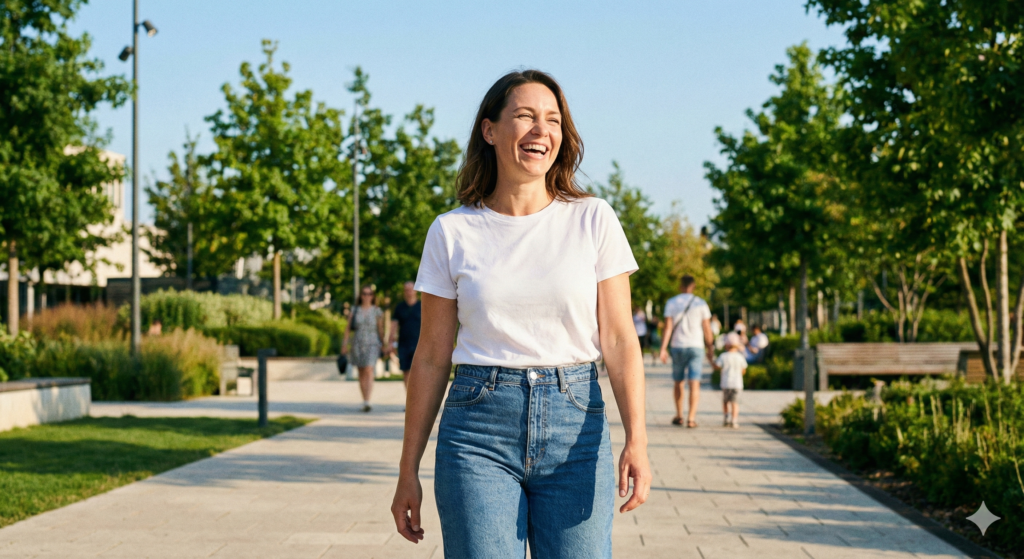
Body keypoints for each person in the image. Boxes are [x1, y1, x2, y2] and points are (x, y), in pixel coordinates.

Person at [391, 70, 650, 559]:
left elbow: (619, 340)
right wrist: (408, 470)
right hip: (477, 430)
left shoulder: (593, 219)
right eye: (525, 116)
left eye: (552, 120)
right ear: (489, 130)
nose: (541, 130)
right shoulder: (451, 232)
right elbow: (430, 358)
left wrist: (637, 439)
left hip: (576, 423)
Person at [659, 275, 714, 428]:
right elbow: (707, 329)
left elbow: (668, 328)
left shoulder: (671, 302)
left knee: (678, 382)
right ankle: (691, 418)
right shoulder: (701, 303)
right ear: (694, 286)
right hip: (697, 346)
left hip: (678, 346)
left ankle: (679, 415)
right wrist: (711, 349)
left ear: (680, 286)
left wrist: (663, 349)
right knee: (694, 383)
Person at [342, 286, 386, 412]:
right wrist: (344, 345)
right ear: (361, 295)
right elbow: (348, 328)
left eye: (369, 294)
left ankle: (368, 400)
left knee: (368, 368)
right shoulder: (354, 310)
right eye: (364, 293)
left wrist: (384, 344)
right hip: (357, 343)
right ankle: (364, 400)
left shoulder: (377, 311)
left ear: (373, 296)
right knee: (361, 371)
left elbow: (380, 329)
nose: (367, 296)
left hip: (372, 343)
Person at [390, 281, 422, 389]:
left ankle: (420, 403)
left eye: (411, 289)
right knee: (406, 372)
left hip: (420, 344)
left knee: (419, 373)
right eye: (406, 290)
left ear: (416, 291)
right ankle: (409, 402)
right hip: (404, 344)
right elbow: (393, 326)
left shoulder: (422, 306)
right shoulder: (399, 307)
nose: (409, 292)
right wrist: (391, 343)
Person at [712, 333, 747, 428]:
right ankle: (734, 420)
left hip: (726, 383)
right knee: (735, 403)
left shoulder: (723, 356)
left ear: (726, 345)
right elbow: (743, 370)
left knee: (725, 402)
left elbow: (717, 366)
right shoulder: (740, 357)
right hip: (737, 384)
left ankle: (726, 417)